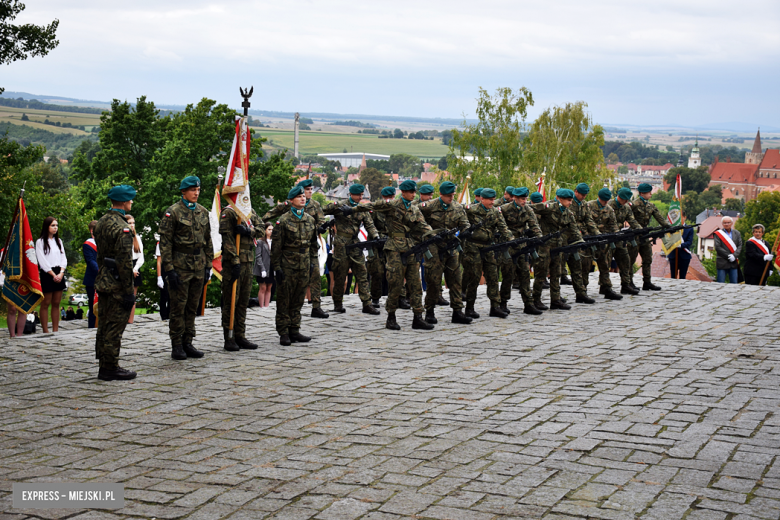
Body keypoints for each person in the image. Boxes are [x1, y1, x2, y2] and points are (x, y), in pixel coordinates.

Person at [354, 180, 435, 330]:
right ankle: (391, 316)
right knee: (395, 283)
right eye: (411, 192)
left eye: (414, 192)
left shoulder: (414, 209)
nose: (413, 195)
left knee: (415, 284)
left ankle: (418, 317)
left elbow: (423, 225)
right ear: (403, 192)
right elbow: (372, 206)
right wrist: (352, 209)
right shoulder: (392, 205)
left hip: (411, 248)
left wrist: (433, 234)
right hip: (395, 248)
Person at [158, 175, 212, 360]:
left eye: (198, 190)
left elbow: (208, 240)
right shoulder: (172, 212)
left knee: (192, 306)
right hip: (180, 266)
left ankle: (188, 341)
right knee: (178, 307)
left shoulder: (203, 212)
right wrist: (169, 269)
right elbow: (165, 243)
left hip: (199, 264)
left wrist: (208, 265)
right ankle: (177, 344)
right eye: (192, 190)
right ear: (183, 191)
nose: (196, 193)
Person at [263, 179, 329, 318]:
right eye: (306, 191)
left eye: (310, 190)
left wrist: (321, 227)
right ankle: (285, 325)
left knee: (314, 276)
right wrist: (258, 226)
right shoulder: (287, 209)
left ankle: (316, 305)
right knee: (288, 288)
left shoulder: (315, 206)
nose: (308, 193)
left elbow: (321, 220)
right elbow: (270, 214)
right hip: (289, 253)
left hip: (309, 247)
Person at [94, 185, 138, 381]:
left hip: (103, 278)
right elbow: (124, 262)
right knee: (115, 326)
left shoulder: (102, 222)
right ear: (124, 201)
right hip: (116, 283)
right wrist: (129, 291)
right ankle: (110, 367)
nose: (132, 202)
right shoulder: (123, 228)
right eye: (130, 199)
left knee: (103, 324)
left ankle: (104, 362)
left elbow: (101, 254)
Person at [417, 181, 473, 324]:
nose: (451, 198)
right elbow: (415, 217)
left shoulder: (457, 207)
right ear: (441, 194)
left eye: (453, 195)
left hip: (451, 245)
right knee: (433, 280)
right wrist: (427, 233)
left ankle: (457, 311)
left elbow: (464, 222)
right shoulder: (429, 206)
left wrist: (466, 231)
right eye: (448, 196)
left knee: (455, 280)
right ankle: (429, 311)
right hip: (434, 246)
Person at [271, 186, 319, 346]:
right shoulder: (283, 220)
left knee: (299, 298)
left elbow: (313, 245)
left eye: (303, 196)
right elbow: (276, 247)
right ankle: (283, 331)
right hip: (288, 264)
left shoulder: (310, 220)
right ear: (291, 201)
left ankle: (294, 329)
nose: (303, 198)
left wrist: (313, 262)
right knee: (285, 299)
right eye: (299, 197)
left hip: (304, 264)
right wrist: (276, 267)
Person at [321, 184, 380, 315]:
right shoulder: (341, 205)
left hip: (355, 243)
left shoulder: (361, 209)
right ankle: (337, 303)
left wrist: (375, 236)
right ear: (351, 194)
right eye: (358, 195)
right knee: (340, 275)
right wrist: (323, 223)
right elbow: (322, 211)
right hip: (341, 243)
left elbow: (369, 224)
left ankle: (367, 303)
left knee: (362, 274)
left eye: (361, 195)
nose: (360, 197)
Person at [219, 197, 264, 351]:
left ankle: (240, 335)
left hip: (248, 261)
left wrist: (248, 231)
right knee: (231, 300)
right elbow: (227, 240)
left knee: (243, 301)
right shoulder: (229, 212)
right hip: (233, 263)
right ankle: (229, 337)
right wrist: (235, 260)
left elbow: (262, 228)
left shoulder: (249, 213)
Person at [462, 188, 513, 318]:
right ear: (482, 199)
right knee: (474, 277)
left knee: (493, 276)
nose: (492, 202)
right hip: (473, 247)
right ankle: (469, 307)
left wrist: (512, 240)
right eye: (490, 200)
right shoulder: (471, 210)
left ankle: (495, 307)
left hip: (489, 247)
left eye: (493, 199)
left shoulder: (495, 212)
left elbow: (503, 228)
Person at [530, 189, 585, 310]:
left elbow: (574, 229)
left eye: (571, 200)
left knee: (556, 274)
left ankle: (555, 300)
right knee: (541, 273)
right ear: (560, 198)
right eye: (568, 200)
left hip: (558, 247)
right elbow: (530, 208)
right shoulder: (548, 207)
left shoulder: (568, 213)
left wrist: (581, 241)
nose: (570, 203)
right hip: (545, 247)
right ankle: (535, 300)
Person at [499, 186, 544, 315]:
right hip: (508, 246)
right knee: (508, 275)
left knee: (525, 274)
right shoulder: (504, 209)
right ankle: (503, 303)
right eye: (521, 199)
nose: (524, 201)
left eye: (525, 199)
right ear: (515, 198)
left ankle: (528, 304)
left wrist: (539, 237)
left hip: (522, 246)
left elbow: (534, 225)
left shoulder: (528, 210)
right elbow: (501, 227)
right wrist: (510, 239)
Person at [628, 183, 670, 291]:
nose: (651, 194)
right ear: (642, 193)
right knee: (631, 260)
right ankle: (629, 282)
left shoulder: (650, 205)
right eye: (649, 192)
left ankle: (647, 282)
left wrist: (668, 227)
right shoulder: (634, 205)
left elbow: (659, 218)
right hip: (634, 235)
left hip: (645, 235)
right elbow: (628, 218)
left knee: (647, 259)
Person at [566, 183, 600, 304]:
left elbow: (588, 219)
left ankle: (581, 292)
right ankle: (556, 296)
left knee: (583, 265)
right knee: (559, 270)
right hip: (568, 238)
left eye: (585, 195)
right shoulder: (568, 203)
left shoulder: (584, 204)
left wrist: (596, 233)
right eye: (582, 194)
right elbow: (570, 223)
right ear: (576, 192)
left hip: (582, 238)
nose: (584, 197)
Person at [586, 188, 623, 301]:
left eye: (607, 200)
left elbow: (613, 225)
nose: (605, 202)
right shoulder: (589, 206)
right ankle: (582, 290)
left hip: (602, 241)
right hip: (589, 240)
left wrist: (618, 235)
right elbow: (584, 221)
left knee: (604, 264)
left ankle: (606, 288)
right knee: (585, 266)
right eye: (603, 200)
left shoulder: (609, 210)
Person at [36, 216, 67, 333]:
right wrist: (53, 275)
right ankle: (45, 330)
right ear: (47, 227)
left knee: (56, 302)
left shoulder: (59, 241)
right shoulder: (40, 242)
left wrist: (61, 273)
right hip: (47, 273)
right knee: (46, 302)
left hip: (59, 272)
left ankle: (55, 329)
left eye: (56, 225)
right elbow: (42, 261)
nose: (55, 228)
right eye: (53, 225)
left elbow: (63, 258)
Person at [608, 188, 642, 295]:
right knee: (605, 263)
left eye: (627, 200)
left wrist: (640, 230)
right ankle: (605, 286)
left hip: (619, 238)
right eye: (625, 200)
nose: (626, 202)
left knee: (625, 260)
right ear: (619, 197)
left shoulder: (626, 207)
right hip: (607, 238)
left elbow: (632, 220)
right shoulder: (609, 205)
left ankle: (626, 285)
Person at [367, 186, 395, 307]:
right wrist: (377, 236)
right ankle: (375, 298)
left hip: (392, 243)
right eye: (387, 197)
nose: (389, 200)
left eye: (391, 197)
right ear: (383, 197)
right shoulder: (375, 209)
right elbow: (370, 225)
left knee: (395, 272)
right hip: (377, 245)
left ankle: (397, 297)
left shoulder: (397, 208)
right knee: (377, 272)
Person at [125, 214, 144, 324]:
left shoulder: (137, 238)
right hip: (125, 266)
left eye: (133, 223)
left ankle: (130, 320)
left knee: (133, 297)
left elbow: (141, 258)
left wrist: (135, 269)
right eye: (129, 223)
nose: (132, 225)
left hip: (135, 266)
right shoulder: (122, 237)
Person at [714, 216, 742, 284]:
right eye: (725, 223)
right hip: (722, 262)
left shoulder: (737, 233)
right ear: (722, 224)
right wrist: (729, 255)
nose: (727, 224)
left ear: (732, 223)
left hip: (733, 262)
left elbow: (740, 246)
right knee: (720, 283)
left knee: (734, 284)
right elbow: (717, 247)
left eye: (728, 222)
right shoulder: (718, 234)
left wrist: (734, 256)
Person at [667, 213, 694, 280]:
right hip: (673, 255)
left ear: (685, 217)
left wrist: (680, 245)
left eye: (681, 217)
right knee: (673, 277)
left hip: (684, 256)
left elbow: (689, 242)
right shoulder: (672, 228)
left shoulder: (689, 229)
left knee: (682, 277)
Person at [83, 220, 99, 328]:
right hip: (92, 279)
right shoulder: (88, 244)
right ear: (92, 231)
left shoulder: (104, 243)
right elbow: (91, 261)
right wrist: (100, 270)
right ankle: (92, 327)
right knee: (93, 305)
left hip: (105, 278)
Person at [254, 223, 273, 307]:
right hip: (263, 267)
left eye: (272, 230)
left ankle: (267, 305)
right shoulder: (260, 241)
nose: (271, 231)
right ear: (265, 230)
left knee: (269, 287)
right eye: (269, 229)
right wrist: (262, 269)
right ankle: (261, 305)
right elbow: (258, 256)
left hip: (271, 267)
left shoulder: (274, 241)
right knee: (263, 288)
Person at [154, 236, 170, 320]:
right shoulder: (160, 243)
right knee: (164, 295)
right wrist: (159, 276)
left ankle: (171, 314)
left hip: (175, 267)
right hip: (165, 268)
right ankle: (164, 316)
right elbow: (159, 261)